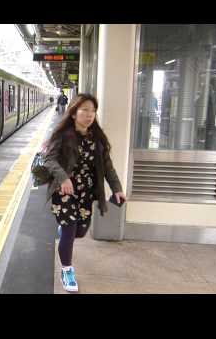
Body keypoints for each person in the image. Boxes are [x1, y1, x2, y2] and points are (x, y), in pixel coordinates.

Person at [43, 93, 126, 292]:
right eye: (85, 110)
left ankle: (65, 231)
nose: (90, 115)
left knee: (80, 231)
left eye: (93, 111)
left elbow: (107, 166)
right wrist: (63, 178)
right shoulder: (63, 135)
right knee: (70, 229)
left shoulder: (97, 138)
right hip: (64, 190)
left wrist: (117, 189)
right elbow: (49, 160)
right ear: (73, 113)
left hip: (86, 191)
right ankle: (67, 270)